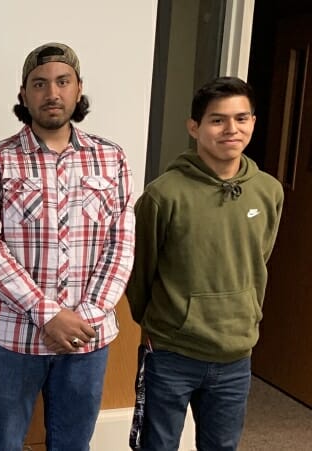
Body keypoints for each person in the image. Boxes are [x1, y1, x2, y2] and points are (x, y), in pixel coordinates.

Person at [0, 42, 136, 451]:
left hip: (87, 337)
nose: (52, 93)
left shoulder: (111, 158)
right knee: (0, 443)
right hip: (11, 338)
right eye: (39, 84)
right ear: (24, 94)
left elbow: (123, 242)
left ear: (79, 89)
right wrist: (48, 315)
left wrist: (87, 316)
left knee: (72, 444)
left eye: (63, 82)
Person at [126, 76, 283, 451]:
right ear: (194, 127)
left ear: (253, 123)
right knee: (157, 445)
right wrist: (164, 324)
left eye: (241, 118)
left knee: (222, 445)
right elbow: (140, 272)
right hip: (171, 353)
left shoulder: (269, 191)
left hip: (235, 354)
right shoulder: (164, 195)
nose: (231, 129)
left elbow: (257, 259)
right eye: (218, 120)